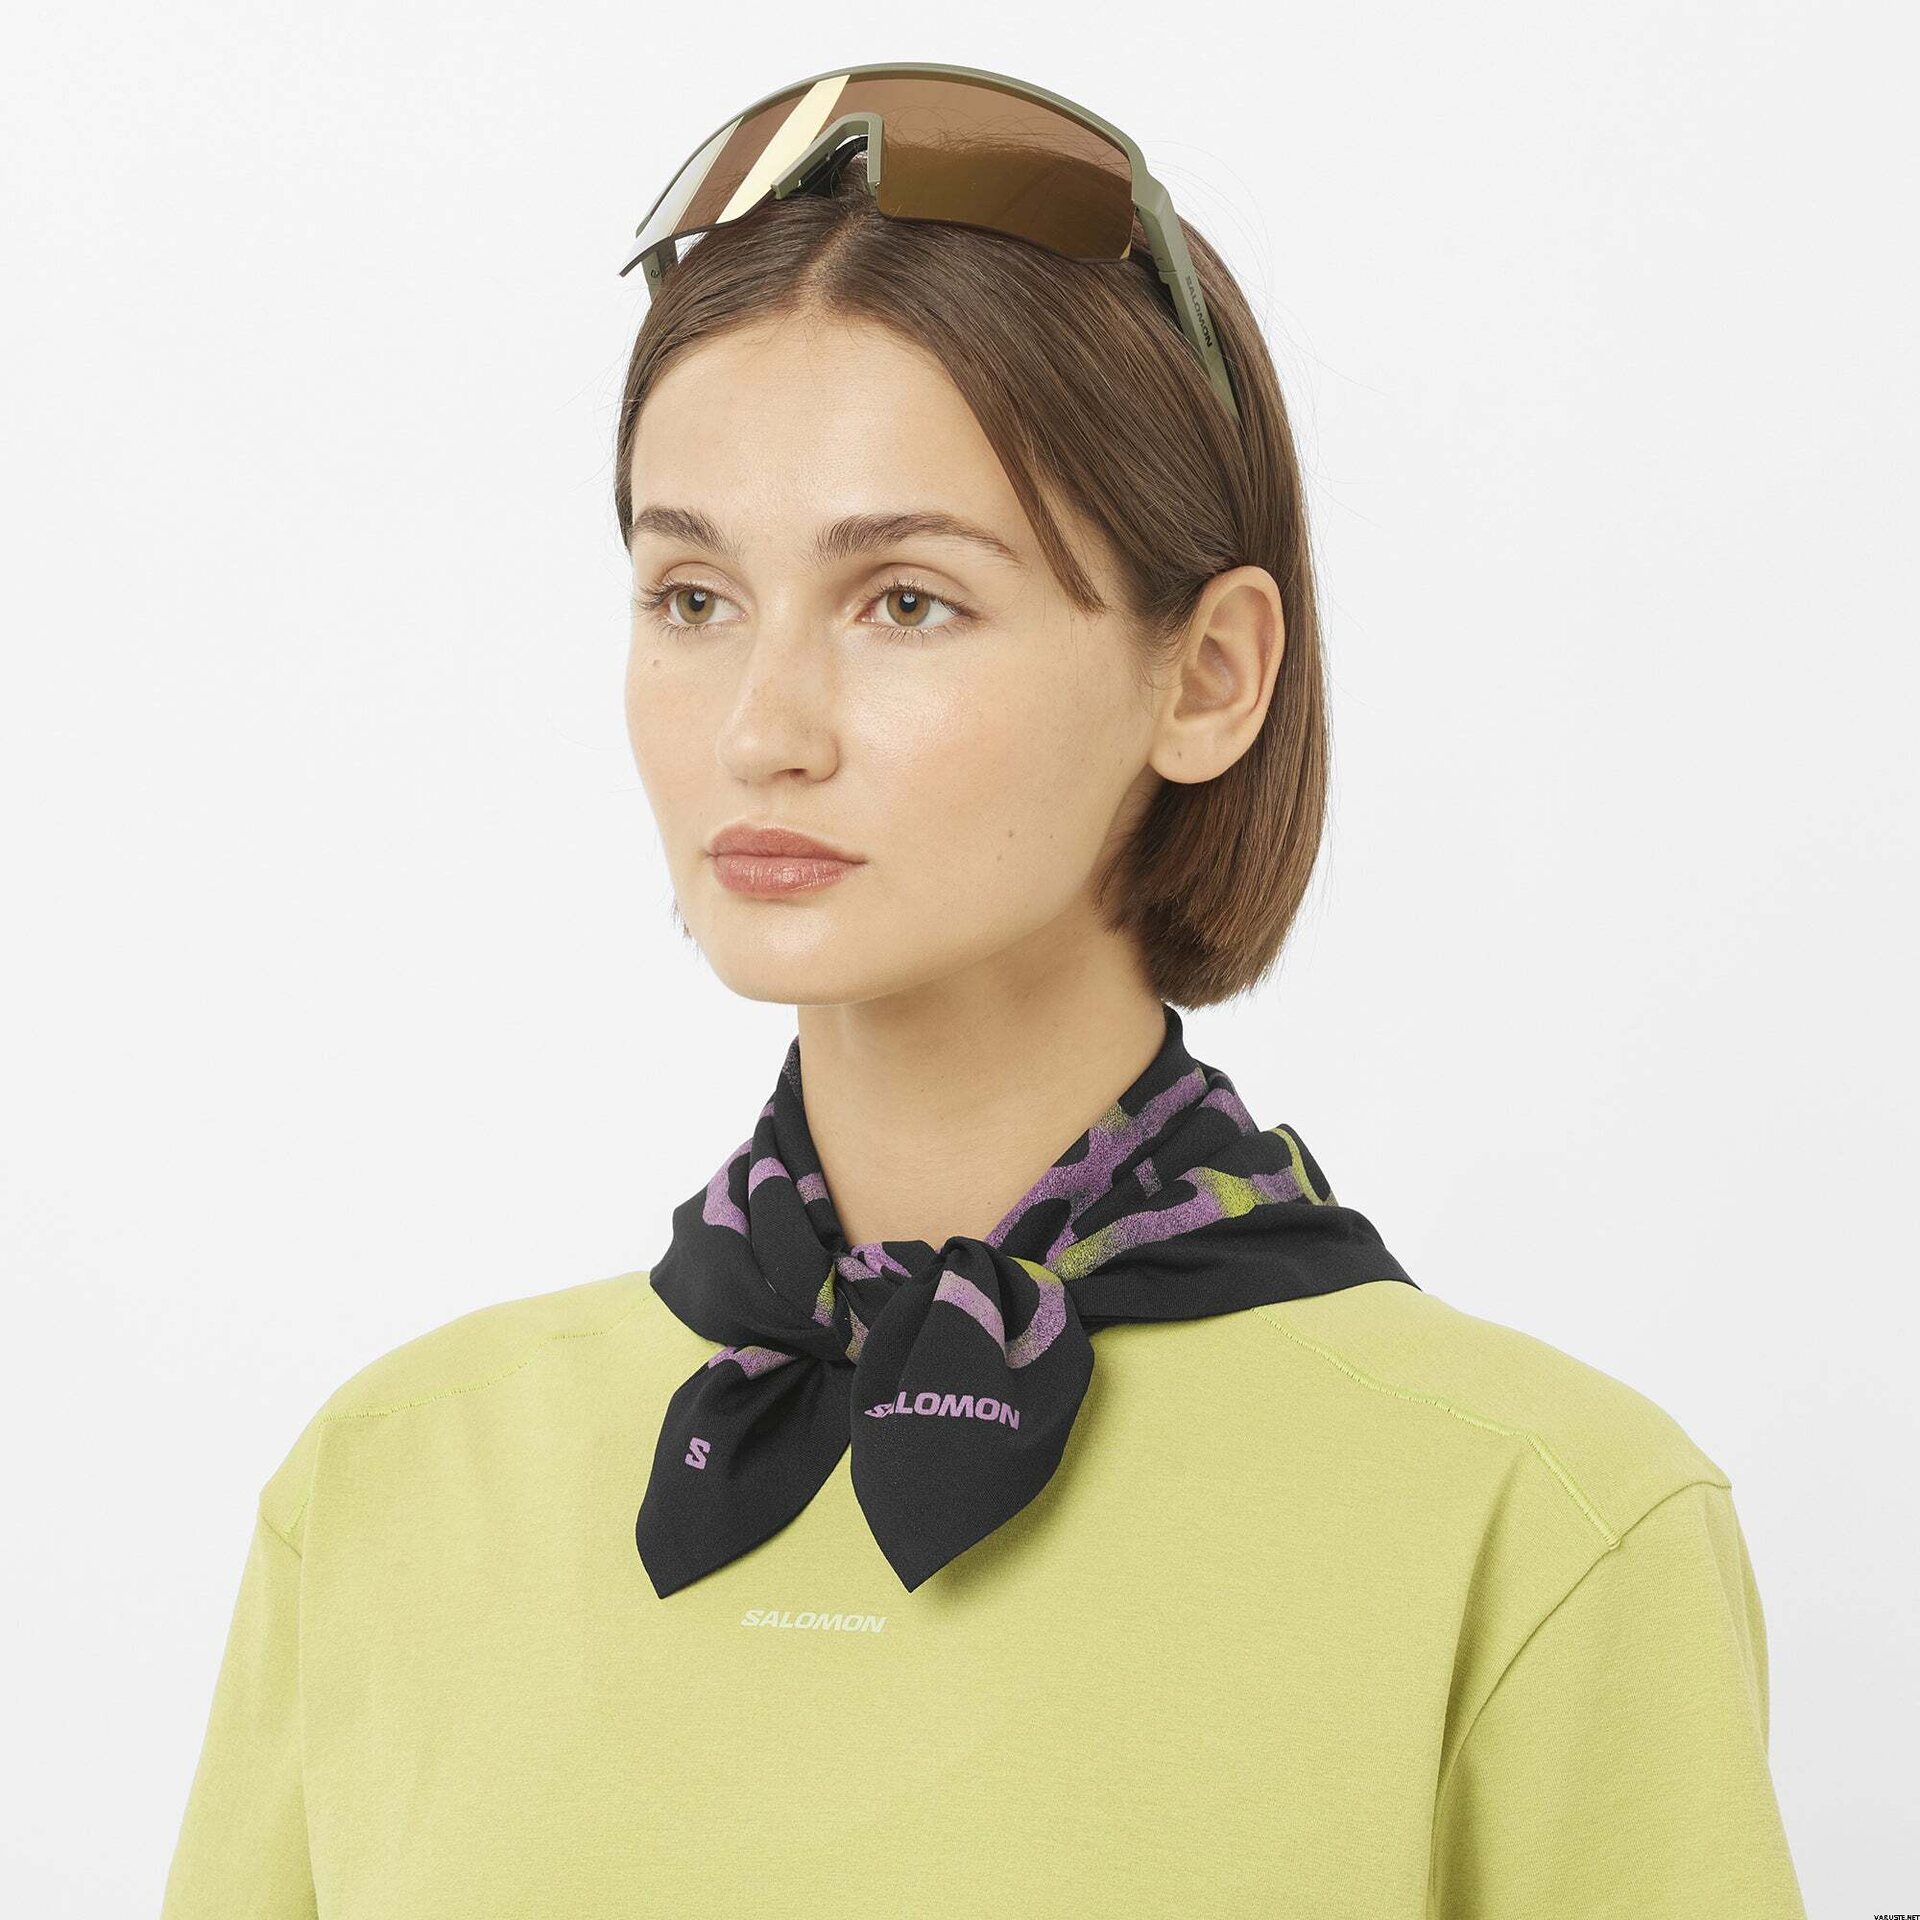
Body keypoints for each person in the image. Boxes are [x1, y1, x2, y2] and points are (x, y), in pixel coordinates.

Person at [160, 64, 1808, 1918]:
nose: (763, 731)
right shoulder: (384, 1490)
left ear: (1209, 674)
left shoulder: (1547, 1525)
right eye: (693, 596)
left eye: (907, 601)